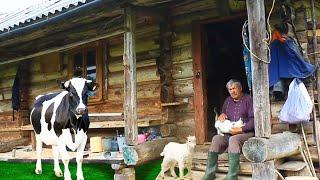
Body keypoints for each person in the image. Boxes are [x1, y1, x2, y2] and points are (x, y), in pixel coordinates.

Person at [202, 79, 254, 180]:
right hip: (230, 133)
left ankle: (232, 175)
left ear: (240, 88)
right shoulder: (227, 101)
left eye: (234, 88)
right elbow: (223, 113)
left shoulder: (249, 99)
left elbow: (253, 119)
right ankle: (210, 172)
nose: (232, 91)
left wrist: (241, 129)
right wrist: (221, 115)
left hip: (246, 133)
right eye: (230, 89)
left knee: (233, 140)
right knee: (216, 139)